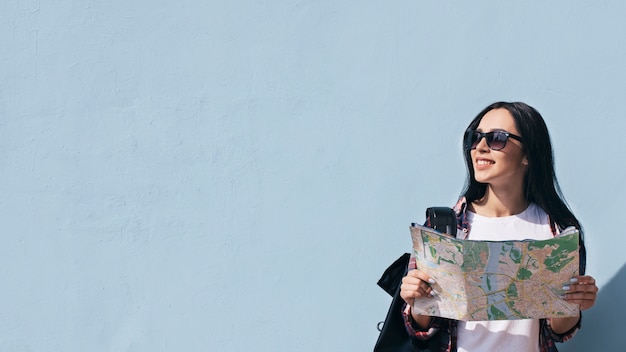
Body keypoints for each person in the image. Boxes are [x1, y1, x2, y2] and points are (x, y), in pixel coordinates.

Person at [399, 102, 598, 352]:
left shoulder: (557, 232)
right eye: (475, 137)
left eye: (497, 139)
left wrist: (573, 304)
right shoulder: (445, 228)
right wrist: (416, 301)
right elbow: (421, 329)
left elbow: (557, 330)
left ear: (528, 154)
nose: (480, 147)